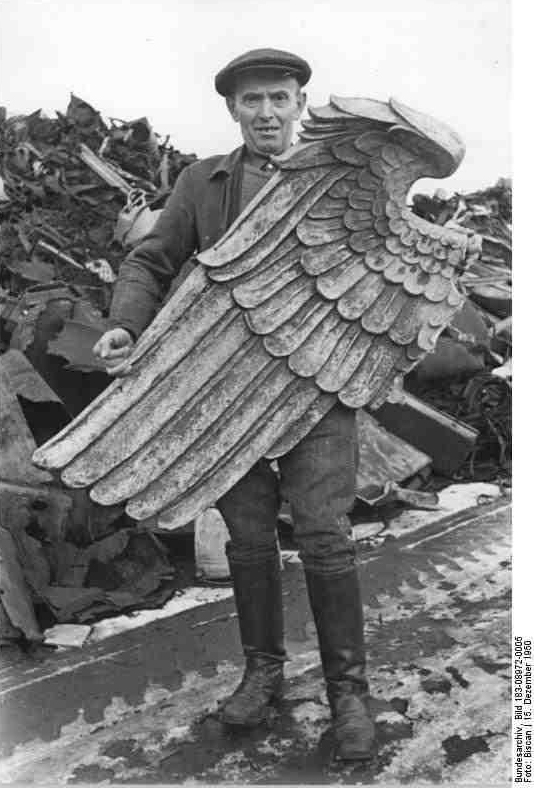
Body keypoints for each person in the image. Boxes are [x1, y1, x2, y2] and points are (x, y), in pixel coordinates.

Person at [93, 48, 375, 762]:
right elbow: (151, 259)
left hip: (315, 388)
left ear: (301, 104)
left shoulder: (341, 180)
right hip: (226, 393)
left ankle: (348, 693)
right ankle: (263, 673)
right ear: (232, 110)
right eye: (253, 100)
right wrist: (126, 324)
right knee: (248, 538)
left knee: (324, 534)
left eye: (280, 98)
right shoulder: (203, 183)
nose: (267, 113)